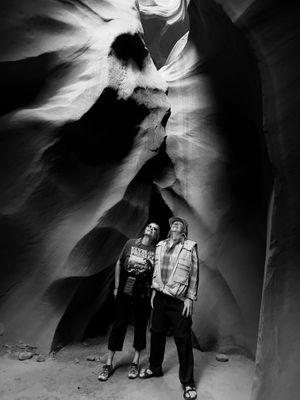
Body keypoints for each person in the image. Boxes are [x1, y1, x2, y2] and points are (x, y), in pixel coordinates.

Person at [139, 216, 199, 400]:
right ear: (170, 228)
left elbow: (195, 274)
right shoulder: (160, 246)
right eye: (174, 222)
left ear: (184, 231)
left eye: (180, 223)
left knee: (183, 339)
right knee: (156, 333)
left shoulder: (190, 247)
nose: (176, 224)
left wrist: (190, 298)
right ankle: (155, 368)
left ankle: (188, 383)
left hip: (179, 300)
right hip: (160, 296)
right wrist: (154, 292)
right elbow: (155, 269)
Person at [98, 222, 160, 381]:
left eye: (155, 229)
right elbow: (119, 262)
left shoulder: (156, 251)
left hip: (144, 292)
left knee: (140, 325)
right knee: (119, 324)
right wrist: (117, 286)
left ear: (156, 236)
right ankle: (109, 363)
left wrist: (153, 293)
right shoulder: (130, 243)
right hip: (127, 287)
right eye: (149, 226)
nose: (151, 229)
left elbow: (156, 275)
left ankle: (135, 362)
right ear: (145, 229)